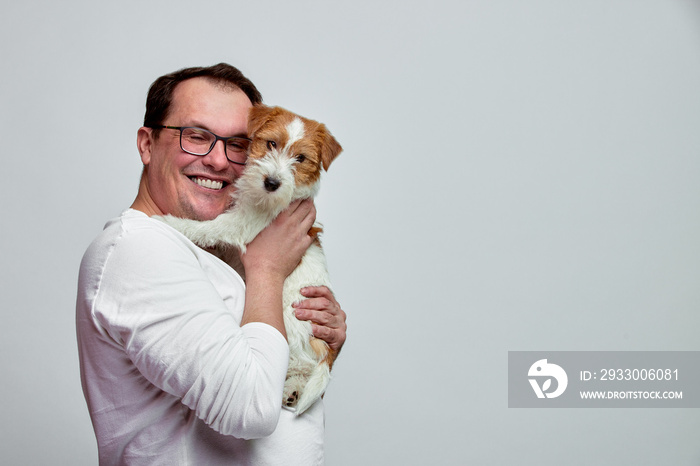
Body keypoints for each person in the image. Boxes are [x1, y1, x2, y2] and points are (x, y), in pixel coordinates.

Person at [76, 63, 347, 465]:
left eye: (237, 144)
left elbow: (260, 375)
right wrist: (268, 271)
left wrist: (316, 345)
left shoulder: (206, 252)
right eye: (196, 136)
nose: (219, 161)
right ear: (147, 144)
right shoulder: (140, 251)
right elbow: (250, 409)